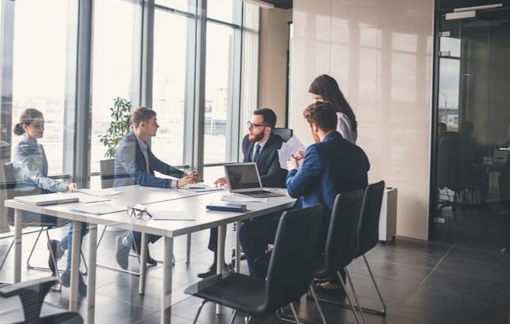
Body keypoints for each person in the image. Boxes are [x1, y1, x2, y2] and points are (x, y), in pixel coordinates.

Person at [239, 101, 369, 283]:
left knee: (249, 232)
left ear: (314, 126)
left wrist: (293, 169)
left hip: (317, 233)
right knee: (277, 217)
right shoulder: (357, 152)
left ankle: (261, 286)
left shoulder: (317, 151)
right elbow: (337, 175)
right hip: (346, 232)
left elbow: (293, 189)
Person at [197, 108, 288, 278]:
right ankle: (218, 262)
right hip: (247, 193)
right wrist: (231, 178)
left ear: (267, 129)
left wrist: (239, 182)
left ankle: (259, 274)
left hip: (270, 197)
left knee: (250, 230)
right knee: (219, 212)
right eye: (249, 124)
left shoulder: (280, 147)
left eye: (254, 125)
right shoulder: (247, 141)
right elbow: (246, 168)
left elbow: (273, 178)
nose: (249, 129)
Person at [113, 107, 199, 270]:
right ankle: (127, 241)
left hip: (142, 194)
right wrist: (176, 184)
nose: (158, 126)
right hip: (127, 196)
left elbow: (157, 165)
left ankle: (136, 241)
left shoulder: (141, 143)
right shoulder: (127, 146)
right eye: (154, 122)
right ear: (143, 125)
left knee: (168, 215)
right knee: (162, 217)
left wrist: (184, 176)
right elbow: (140, 177)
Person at [12, 108, 87, 294]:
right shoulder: (21, 149)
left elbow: (43, 180)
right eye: (37, 126)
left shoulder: (38, 146)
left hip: (43, 199)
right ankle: (70, 270)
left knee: (84, 218)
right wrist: (64, 187)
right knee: (79, 219)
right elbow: (38, 179)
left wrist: (63, 189)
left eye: (43, 125)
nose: (42, 129)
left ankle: (60, 248)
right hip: (29, 206)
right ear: (25, 126)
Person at [309, 74, 358, 143]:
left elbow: (343, 147)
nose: (315, 103)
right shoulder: (333, 117)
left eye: (318, 98)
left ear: (328, 96)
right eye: (314, 99)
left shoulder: (340, 119)